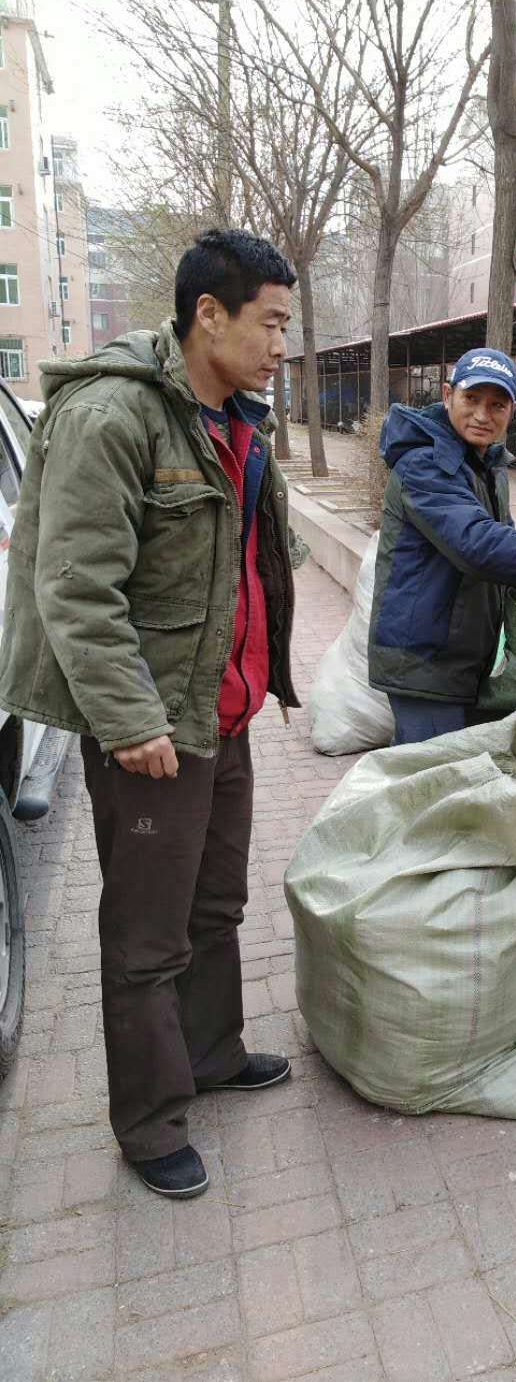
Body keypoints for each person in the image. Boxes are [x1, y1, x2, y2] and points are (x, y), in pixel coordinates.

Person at [0, 229, 303, 1197]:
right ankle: (149, 1120)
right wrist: (131, 723)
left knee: (215, 906)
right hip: (154, 726)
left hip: (223, 711)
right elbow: (76, 587)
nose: (281, 345)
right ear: (207, 315)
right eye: (269, 323)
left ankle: (211, 1052)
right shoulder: (114, 415)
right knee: (146, 936)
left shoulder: (238, 420)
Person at [368, 347, 516, 743]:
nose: (483, 415)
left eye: (497, 404)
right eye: (471, 399)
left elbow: (502, 541)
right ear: (447, 395)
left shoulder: (485, 465)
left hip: (458, 658)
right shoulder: (425, 464)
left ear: (511, 410)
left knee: (442, 771)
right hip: (424, 660)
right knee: (433, 775)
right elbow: (476, 542)